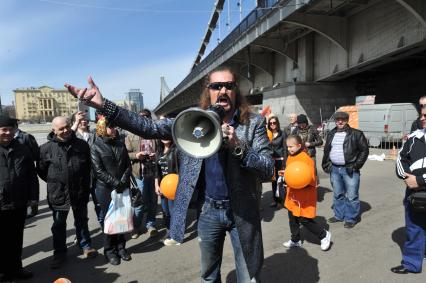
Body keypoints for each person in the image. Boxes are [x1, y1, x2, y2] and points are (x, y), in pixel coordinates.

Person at [65, 65, 274, 282]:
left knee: (248, 275)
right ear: (208, 90)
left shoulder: (253, 123)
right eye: (216, 86)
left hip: (242, 210)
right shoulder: (193, 121)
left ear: (235, 90)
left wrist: (238, 147)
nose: (222, 91)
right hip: (208, 210)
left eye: (228, 86)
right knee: (209, 275)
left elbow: (268, 169)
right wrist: (105, 106)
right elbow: (148, 127)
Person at [37, 116, 97, 269]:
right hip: (58, 193)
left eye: (67, 127)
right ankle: (59, 253)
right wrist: (56, 181)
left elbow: (89, 167)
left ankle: (85, 245)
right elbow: (42, 171)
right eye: (61, 129)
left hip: (79, 191)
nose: (65, 131)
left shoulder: (82, 145)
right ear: (53, 130)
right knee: (58, 225)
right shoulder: (45, 148)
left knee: (82, 221)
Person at [0, 115, 39, 282]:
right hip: (0, 204)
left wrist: (34, 197)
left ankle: (16, 268)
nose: (8, 132)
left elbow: (31, 174)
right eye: (4, 129)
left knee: (16, 239)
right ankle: (2, 272)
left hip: (19, 202)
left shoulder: (22, 148)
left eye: (11, 129)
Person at [91, 117, 132, 266]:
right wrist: (116, 183)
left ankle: (121, 247)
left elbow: (127, 165)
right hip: (105, 189)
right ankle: (109, 251)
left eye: (115, 127)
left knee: (121, 219)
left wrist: (123, 181)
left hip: (122, 187)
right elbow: (98, 171)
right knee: (109, 220)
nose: (114, 129)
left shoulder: (121, 144)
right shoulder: (96, 147)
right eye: (111, 127)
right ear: (102, 128)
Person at [392, 107, 426, 274]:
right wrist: (406, 177)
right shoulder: (413, 138)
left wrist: (420, 180)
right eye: (422, 115)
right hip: (415, 195)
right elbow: (400, 159)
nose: (422, 118)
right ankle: (412, 263)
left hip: (418, 185)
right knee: (414, 228)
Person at [282, 135, 331, 251]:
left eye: (291, 147)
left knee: (304, 219)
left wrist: (299, 180)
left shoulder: (306, 159)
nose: (289, 149)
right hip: (292, 194)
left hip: (304, 195)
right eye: (287, 147)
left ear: (299, 146)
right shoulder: (289, 158)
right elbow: (291, 173)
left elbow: (311, 179)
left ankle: (324, 235)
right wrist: (285, 175)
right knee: (292, 218)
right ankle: (295, 239)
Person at [322, 111, 369, 228]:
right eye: (338, 119)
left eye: (343, 119)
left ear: (347, 120)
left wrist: (356, 166)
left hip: (350, 169)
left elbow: (364, 150)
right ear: (335, 121)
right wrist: (327, 164)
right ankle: (339, 215)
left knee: (352, 196)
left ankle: (351, 218)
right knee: (338, 194)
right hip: (335, 169)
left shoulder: (356, 134)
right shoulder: (331, 133)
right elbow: (327, 150)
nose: (340, 121)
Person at [125, 109, 158, 239]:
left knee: (153, 201)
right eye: (141, 117)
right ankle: (135, 226)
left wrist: (157, 155)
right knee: (139, 203)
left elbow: (164, 150)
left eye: (147, 116)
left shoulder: (155, 134)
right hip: (139, 174)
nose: (144, 119)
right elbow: (125, 155)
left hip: (154, 173)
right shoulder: (130, 136)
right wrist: (136, 155)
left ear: (150, 118)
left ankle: (151, 225)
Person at [154, 138, 179, 243]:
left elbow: (181, 168)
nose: (164, 137)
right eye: (162, 135)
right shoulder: (159, 151)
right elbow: (156, 170)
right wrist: (156, 185)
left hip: (173, 186)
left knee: (173, 211)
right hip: (163, 186)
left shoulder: (176, 150)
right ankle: (169, 231)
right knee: (165, 211)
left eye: (166, 134)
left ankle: (175, 235)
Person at [294, 114, 323, 184]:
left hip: (311, 156)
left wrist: (311, 144)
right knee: (301, 173)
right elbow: (291, 141)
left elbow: (320, 142)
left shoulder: (312, 129)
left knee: (312, 172)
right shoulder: (295, 130)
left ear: (306, 122)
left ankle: (314, 187)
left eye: (303, 123)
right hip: (299, 155)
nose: (301, 125)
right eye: (299, 124)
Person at [267, 115, 286, 207]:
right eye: (270, 123)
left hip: (280, 160)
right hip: (271, 161)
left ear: (277, 123)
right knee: (274, 181)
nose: (272, 124)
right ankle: (275, 199)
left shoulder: (282, 134)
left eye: (274, 122)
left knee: (282, 181)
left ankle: (283, 200)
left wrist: (285, 163)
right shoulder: (267, 134)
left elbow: (285, 148)